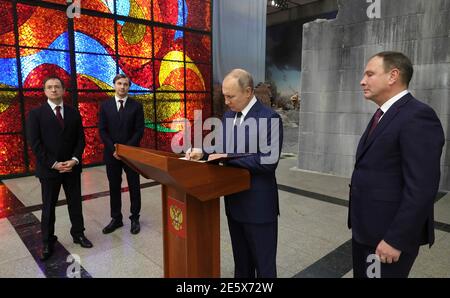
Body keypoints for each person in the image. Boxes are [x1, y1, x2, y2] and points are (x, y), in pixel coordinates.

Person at [348, 51, 444, 278]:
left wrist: (395, 239)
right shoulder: (382, 114)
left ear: (393, 76)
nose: (362, 81)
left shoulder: (417, 116)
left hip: (388, 239)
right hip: (367, 232)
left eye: (370, 74)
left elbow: (422, 188)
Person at [187, 69, 283, 278]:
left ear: (248, 92)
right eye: (224, 96)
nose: (226, 101)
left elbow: (268, 161)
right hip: (234, 203)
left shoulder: (270, 118)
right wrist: (202, 153)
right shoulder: (229, 115)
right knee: (242, 266)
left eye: (230, 96)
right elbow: (220, 148)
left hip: (259, 207)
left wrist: (228, 157)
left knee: (264, 269)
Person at [27, 76, 93, 261]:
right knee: (48, 207)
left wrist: (74, 159)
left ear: (64, 90)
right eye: (50, 87)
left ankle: (78, 234)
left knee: (75, 203)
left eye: (57, 86)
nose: (54, 90)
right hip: (49, 169)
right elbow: (35, 143)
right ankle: (48, 241)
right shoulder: (36, 114)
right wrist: (53, 163)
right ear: (45, 91)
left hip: (71, 167)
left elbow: (80, 139)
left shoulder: (73, 112)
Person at [99, 74, 145, 235]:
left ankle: (134, 218)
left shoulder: (136, 106)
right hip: (112, 154)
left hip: (131, 154)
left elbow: (139, 131)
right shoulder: (105, 106)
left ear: (129, 87)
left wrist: (125, 150)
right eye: (119, 83)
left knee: (134, 186)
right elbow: (102, 130)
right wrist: (114, 149)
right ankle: (116, 218)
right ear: (114, 85)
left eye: (125, 84)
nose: (122, 87)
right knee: (114, 186)